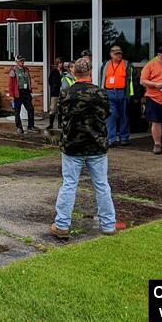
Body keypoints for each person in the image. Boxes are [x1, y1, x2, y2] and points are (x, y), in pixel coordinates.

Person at [50, 58, 116, 240]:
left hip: (72, 146)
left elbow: (61, 117)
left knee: (69, 185)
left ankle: (62, 225)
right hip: (97, 145)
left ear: (74, 72)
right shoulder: (100, 93)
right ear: (90, 72)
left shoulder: (66, 94)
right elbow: (106, 114)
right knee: (102, 185)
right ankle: (108, 224)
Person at [100, 46, 134, 147]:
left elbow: (131, 80)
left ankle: (124, 138)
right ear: (111, 54)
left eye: (120, 53)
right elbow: (102, 78)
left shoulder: (127, 64)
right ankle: (111, 139)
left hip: (122, 92)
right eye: (116, 54)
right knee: (111, 116)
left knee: (124, 116)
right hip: (109, 92)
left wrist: (129, 94)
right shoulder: (106, 64)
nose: (118, 55)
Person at [6, 55, 36, 134]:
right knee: (17, 111)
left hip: (26, 92)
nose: (22, 62)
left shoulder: (26, 69)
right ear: (16, 62)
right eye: (20, 61)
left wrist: (30, 90)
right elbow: (10, 84)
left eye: (23, 60)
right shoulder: (13, 71)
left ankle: (31, 126)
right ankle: (19, 127)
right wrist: (11, 95)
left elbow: (28, 81)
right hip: (18, 93)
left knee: (30, 109)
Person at [48, 58, 63, 129]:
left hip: (62, 92)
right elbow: (50, 80)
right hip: (55, 92)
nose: (61, 64)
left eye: (62, 63)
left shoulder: (64, 72)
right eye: (59, 63)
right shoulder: (54, 71)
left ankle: (59, 124)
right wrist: (54, 88)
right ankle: (51, 124)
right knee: (53, 108)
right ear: (57, 63)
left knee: (60, 109)